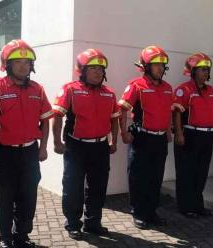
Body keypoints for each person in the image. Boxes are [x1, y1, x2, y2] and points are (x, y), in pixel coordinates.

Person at [0, 39, 53, 248]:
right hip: (5, 154)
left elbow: (46, 119)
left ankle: (22, 236)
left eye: (27, 62)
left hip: (29, 153)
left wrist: (43, 147)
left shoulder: (38, 89)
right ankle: (5, 237)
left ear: (32, 66)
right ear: (7, 65)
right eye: (17, 61)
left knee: (28, 196)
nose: (23, 65)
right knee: (5, 197)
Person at [52, 48, 119, 240]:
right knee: (73, 186)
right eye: (92, 68)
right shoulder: (70, 89)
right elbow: (57, 116)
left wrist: (113, 140)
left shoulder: (109, 93)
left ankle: (93, 222)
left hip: (100, 147)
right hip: (76, 147)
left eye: (100, 68)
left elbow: (114, 119)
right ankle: (73, 223)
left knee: (98, 186)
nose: (98, 72)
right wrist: (57, 141)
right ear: (81, 70)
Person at [118, 45, 179, 229]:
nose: (160, 68)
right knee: (138, 177)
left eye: (162, 65)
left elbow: (168, 112)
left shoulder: (168, 88)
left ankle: (152, 212)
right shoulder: (136, 85)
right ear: (145, 66)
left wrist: (168, 131)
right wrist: (124, 133)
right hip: (142, 139)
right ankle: (138, 213)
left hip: (160, 140)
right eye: (155, 65)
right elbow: (122, 109)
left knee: (156, 177)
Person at [173, 52, 213, 218]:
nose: (206, 73)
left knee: (201, 172)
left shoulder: (212, 91)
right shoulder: (183, 90)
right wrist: (179, 133)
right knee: (187, 172)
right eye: (202, 70)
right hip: (189, 135)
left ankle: (198, 204)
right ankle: (185, 207)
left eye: (207, 70)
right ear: (192, 71)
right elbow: (177, 113)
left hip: (206, 136)